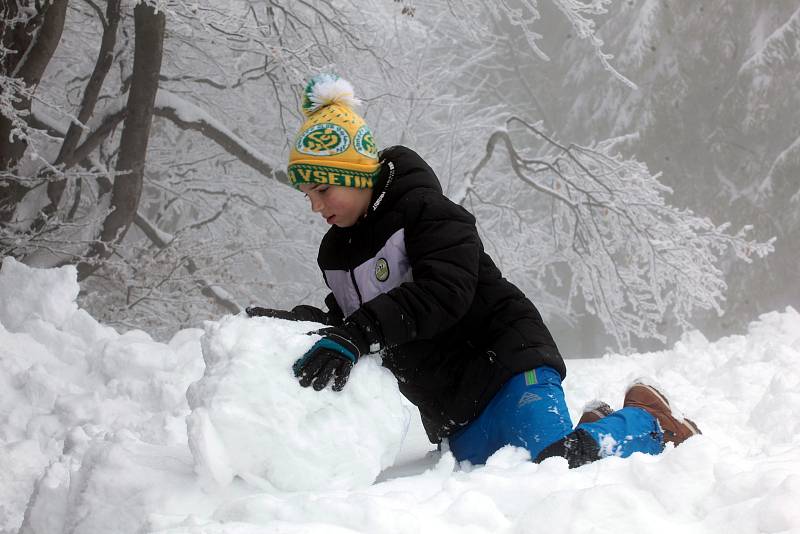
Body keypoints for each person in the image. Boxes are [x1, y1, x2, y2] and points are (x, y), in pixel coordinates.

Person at [247, 74, 700, 467]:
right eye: (308, 195)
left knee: (549, 468)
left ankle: (648, 422)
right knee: (499, 478)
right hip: (451, 403)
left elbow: (445, 291)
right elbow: (358, 315)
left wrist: (358, 333)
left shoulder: (427, 212)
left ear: (357, 173)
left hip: (505, 360)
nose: (316, 206)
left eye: (323, 189)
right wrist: (310, 328)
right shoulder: (335, 253)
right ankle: (596, 428)